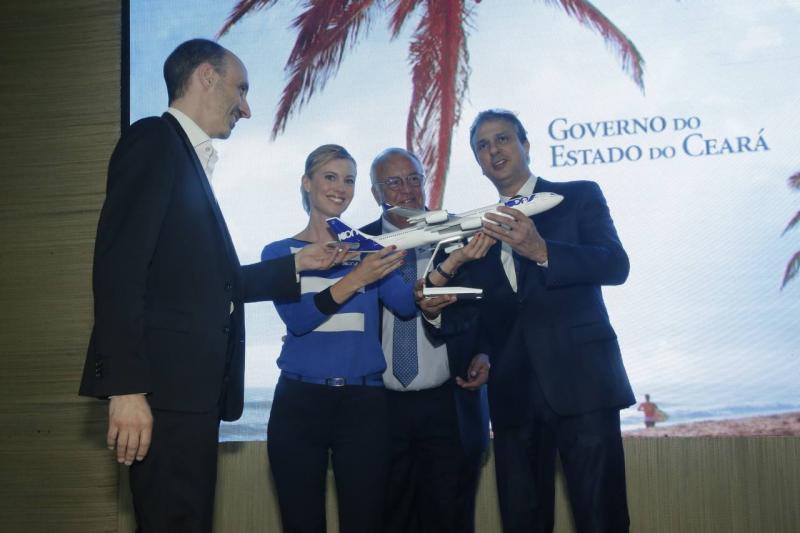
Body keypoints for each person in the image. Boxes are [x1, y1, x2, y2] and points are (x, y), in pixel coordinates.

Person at [78, 39, 342, 533]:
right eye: (241, 89)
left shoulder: (183, 158)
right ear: (206, 76)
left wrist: (299, 263)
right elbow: (118, 269)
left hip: (188, 394)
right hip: (163, 391)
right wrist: (127, 388)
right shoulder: (153, 140)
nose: (247, 107)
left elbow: (211, 284)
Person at [437, 109, 635, 533]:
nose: (494, 150)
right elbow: (491, 309)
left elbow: (615, 265)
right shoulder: (477, 229)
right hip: (512, 394)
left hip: (583, 384)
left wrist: (543, 251)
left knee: (601, 518)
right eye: (483, 145)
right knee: (522, 520)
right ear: (478, 162)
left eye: (502, 138)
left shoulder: (578, 195)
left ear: (525, 145)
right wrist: (484, 352)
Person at [262, 144, 419, 533]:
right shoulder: (279, 253)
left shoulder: (369, 250)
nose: (340, 187)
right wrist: (357, 278)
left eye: (348, 180)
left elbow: (406, 306)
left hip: (363, 406)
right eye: (330, 177)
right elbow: (299, 320)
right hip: (300, 404)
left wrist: (450, 267)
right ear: (307, 183)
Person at [361, 148, 494, 533]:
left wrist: (486, 352)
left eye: (414, 179)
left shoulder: (460, 234)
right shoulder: (359, 245)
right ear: (376, 193)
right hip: (380, 409)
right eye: (394, 182)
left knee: (450, 518)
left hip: (448, 403)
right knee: (388, 518)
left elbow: (491, 305)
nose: (407, 190)